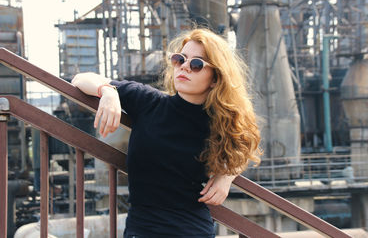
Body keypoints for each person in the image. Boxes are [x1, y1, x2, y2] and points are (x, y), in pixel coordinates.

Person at [71, 28, 262, 238]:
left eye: (196, 64)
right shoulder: (148, 102)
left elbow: (245, 145)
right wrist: (107, 91)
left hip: (192, 231)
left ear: (216, 78)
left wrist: (227, 176)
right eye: (180, 59)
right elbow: (80, 79)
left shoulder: (220, 124)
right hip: (142, 230)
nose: (185, 67)